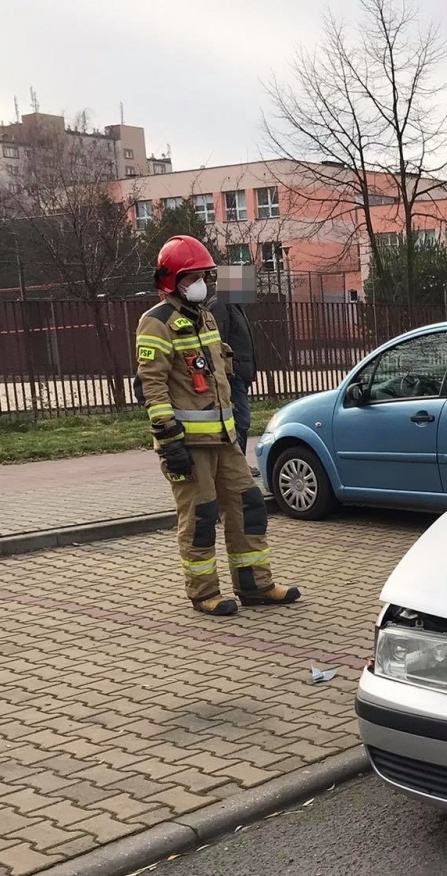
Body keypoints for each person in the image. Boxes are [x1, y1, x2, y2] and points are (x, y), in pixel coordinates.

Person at [136, 236, 300, 616]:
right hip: (188, 446)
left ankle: (256, 585)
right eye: (193, 277)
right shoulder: (156, 323)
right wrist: (168, 440)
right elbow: (152, 385)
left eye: (204, 276)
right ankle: (204, 592)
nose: (202, 283)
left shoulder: (205, 317)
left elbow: (218, 374)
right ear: (173, 280)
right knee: (201, 517)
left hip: (224, 440)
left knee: (249, 506)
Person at [210, 263, 258, 454]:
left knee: (241, 421)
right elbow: (218, 343)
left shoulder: (235, 306)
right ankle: (236, 463)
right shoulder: (220, 306)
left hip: (240, 374)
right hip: (232, 375)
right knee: (240, 420)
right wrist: (227, 372)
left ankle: (239, 462)